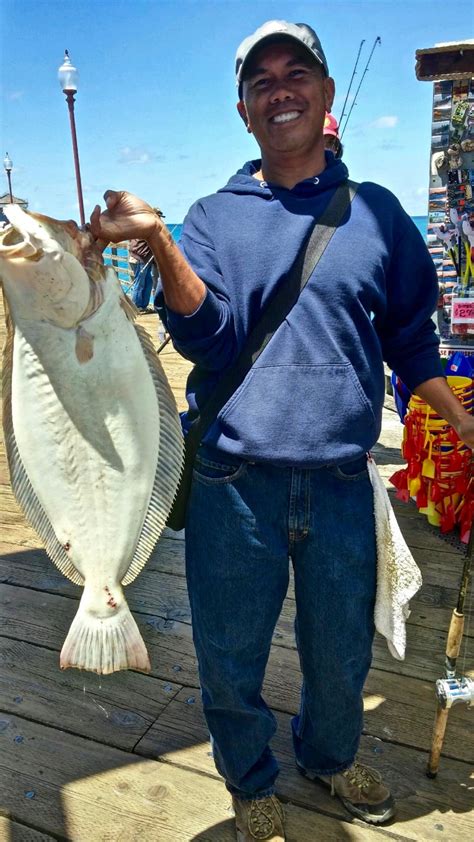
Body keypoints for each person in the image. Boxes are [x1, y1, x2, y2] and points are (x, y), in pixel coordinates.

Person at [90, 20, 474, 842]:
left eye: (295, 72)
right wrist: (160, 241)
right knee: (230, 656)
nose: (280, 89)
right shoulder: (209, 216)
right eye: (260, 81)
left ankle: (331, 758)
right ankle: (249, 775)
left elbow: (410, 341)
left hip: (342, 480)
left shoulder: (379, 216)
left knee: (342, 657)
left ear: (326, 95)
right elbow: (213, 337)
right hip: (234, 484)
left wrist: (461, 421)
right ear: (243, 110)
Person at [128, 207, 165, 313]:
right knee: (139, 283)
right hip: (140, 258)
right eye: (159, 217)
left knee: (147, 282)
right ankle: (136, 307)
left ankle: (143, 306)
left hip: (139, 257)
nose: (160, 220)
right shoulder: (149, 226)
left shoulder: (141, 224)